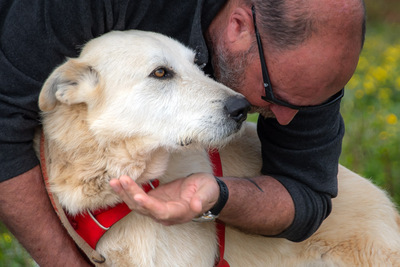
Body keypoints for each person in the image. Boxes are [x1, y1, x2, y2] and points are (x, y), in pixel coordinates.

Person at [0, 0, 365, 265]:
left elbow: (307, 196)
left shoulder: (305, 73)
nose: (286, 120)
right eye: (275, 96)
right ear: (238, 26)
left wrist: (219, 195)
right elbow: (3, 130)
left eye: (311, 103)